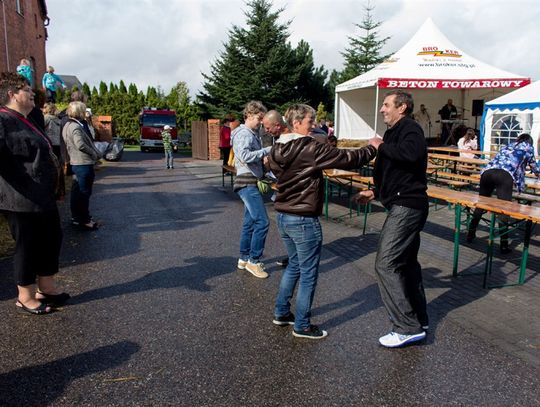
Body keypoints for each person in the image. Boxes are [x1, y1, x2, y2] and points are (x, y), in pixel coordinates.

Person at [269, 103, 381, 339]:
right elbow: (347, 158)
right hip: (303, 219)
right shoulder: (308, 147)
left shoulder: (277, 147)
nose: (314, 126)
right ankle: (302, 326)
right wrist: (372, 148)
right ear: (296, 123)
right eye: (310, 122)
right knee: (308, 273)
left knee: (294, 266)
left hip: (284, 215)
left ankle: (281, 312)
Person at [354, 89, 429, 348]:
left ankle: (406, 327)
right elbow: (395, 172)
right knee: (406, 265)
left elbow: (411, 155)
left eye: (386, 105)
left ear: (402, 107)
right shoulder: (393, 133)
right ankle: (419, 320)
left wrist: (381, 146)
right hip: (402, 202)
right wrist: (374, 192)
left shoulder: (411, 128)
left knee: (386, 264)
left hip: (408, 206)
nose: (382, 109)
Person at [0, 72, 69, 315]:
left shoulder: (27, 118)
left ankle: (46, 288)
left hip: (42, 197)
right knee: (28, 246)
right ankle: (25, 297)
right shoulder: (3, 120)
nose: (32, 93)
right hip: (20, 199)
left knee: (51, 239)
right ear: (12, 94)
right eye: (27, 90)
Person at [467, 133, 540, 253]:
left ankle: (470, 233)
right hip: (504, 175)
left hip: (487, 172)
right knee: (503, 210)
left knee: (480, 204)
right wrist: (537, 172)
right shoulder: (528, 147)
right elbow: (534, 167)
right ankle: (504, 245)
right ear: (529, 141)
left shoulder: (509, 145)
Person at [232, 101, 271, 279]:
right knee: (262, 222)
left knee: (249, 223)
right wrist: (266, 151)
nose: (261, 122)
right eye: (258, 118)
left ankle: (243, 258)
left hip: (249, 181)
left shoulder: (251, 134)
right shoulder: (244, 134)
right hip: (247, 182)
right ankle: (254, 261)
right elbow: (244, 156)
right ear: (248, 115)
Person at [63, 101, 101, 230]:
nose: (85, 113)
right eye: (83, 110)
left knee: (76, 193)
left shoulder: (67, 125)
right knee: (84, 193)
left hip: (76, 162)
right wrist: (93, 153)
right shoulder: (75, 126)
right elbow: (80, 144)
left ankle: (76, 217)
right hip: (83, 163)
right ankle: (85, 220)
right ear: (79, 112)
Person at [262, 110, 290, 268]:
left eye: (267, 127)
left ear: (278, 125)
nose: (266, 131)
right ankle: (292, 257)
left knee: (290, 227)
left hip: (293, 195)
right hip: (282, 193)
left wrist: (270, 164)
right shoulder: (279, 140)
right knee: (285, 229)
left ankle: (294, 259)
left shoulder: (290, 140)